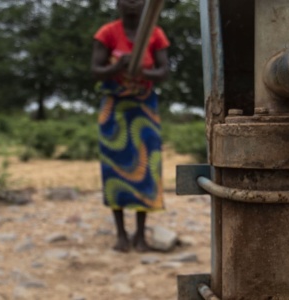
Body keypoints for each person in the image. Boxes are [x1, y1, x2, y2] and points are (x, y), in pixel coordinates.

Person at [91, 0, 170, 252]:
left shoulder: (155, 33)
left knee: (145, 168)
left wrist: (143, 74)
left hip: (143, 109)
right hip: (114, 109)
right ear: (118, 4)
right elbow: (96, 69)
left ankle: (140, 235)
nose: (133, 4)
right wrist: (117, 67)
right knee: (115, 169)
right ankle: (121, 234)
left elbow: (164, 70)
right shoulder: (107, 33)